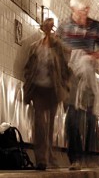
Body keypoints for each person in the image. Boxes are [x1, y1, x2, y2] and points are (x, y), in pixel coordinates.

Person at [57, 0, 99, 170]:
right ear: (74, 10)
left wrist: (90, 57)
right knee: (72, 114)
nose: (87, 12)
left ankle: (88, 155)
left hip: (88, 74)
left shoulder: (95, 25)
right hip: (70, 75)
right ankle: (75, 158)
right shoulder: (64, 26)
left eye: (87, 8)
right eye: (83, 9)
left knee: (90, 115)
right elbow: (57, 48)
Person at [23, 18, 71, 170]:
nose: (47, 27)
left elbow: (64, 66)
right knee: (39, 123)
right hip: (38, 89)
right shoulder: (35, 47)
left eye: (50, 25)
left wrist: (65, 85)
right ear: (42, 27)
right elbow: (28, 66)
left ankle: (49, 154)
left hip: (52, 90)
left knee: (49, 125)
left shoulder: (57, 47)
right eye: (45, 25)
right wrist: (28, 80)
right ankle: (41, 159)